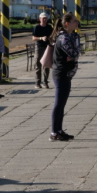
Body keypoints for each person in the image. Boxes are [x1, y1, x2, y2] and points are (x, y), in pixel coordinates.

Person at [50, 12, 81, 141]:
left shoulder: (67, 36)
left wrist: (74, 54)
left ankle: (59, 130)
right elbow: (74, 52)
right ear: (67, 24)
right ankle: (54, 132)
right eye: (74, 21)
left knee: (61, 104)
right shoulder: (64, 38)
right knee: (59, 104)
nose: (77, 23)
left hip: (64, 74)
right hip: (61, 74)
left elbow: (74, 53)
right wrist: (75, 53)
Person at [32, 12, 53, 88]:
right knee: (38, 65)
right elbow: (33, 38)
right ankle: (37, 82)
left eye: (45, 18)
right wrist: (41, 38)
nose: (44, 20)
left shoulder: (49, 27)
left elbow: (52, 36)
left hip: (47, 47)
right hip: (39, 47)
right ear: (39, 19)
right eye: (43, 18)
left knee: (46, 64)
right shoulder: (37, 28)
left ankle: (45, 82)